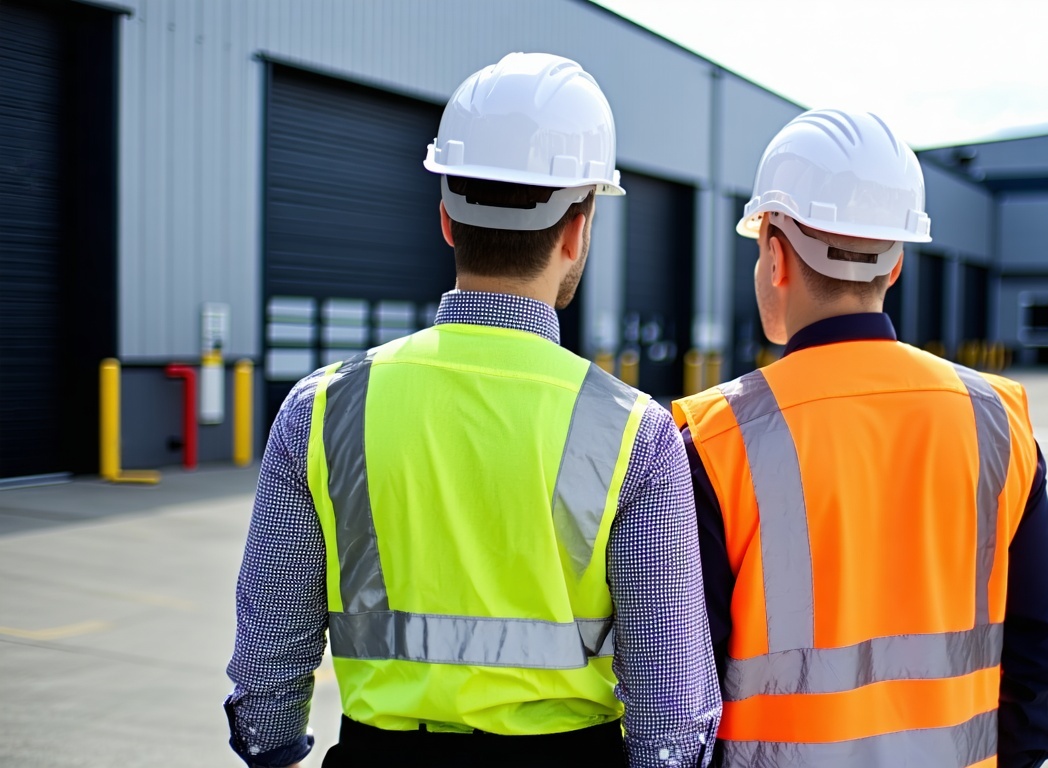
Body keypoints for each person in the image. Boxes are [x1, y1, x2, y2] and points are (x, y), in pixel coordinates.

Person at [225, 52, 720, 768]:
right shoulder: (635, 434)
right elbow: (671, 717)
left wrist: (273, 744)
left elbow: (268, 680)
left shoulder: (322, 409)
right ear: (577, 231)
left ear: (447, 218)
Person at [673, 109, 1048, 767]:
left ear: (775, 254)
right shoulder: (997, 421)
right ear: (894, 267)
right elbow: (1047, 654)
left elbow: (683, 692)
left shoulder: (716, 442)